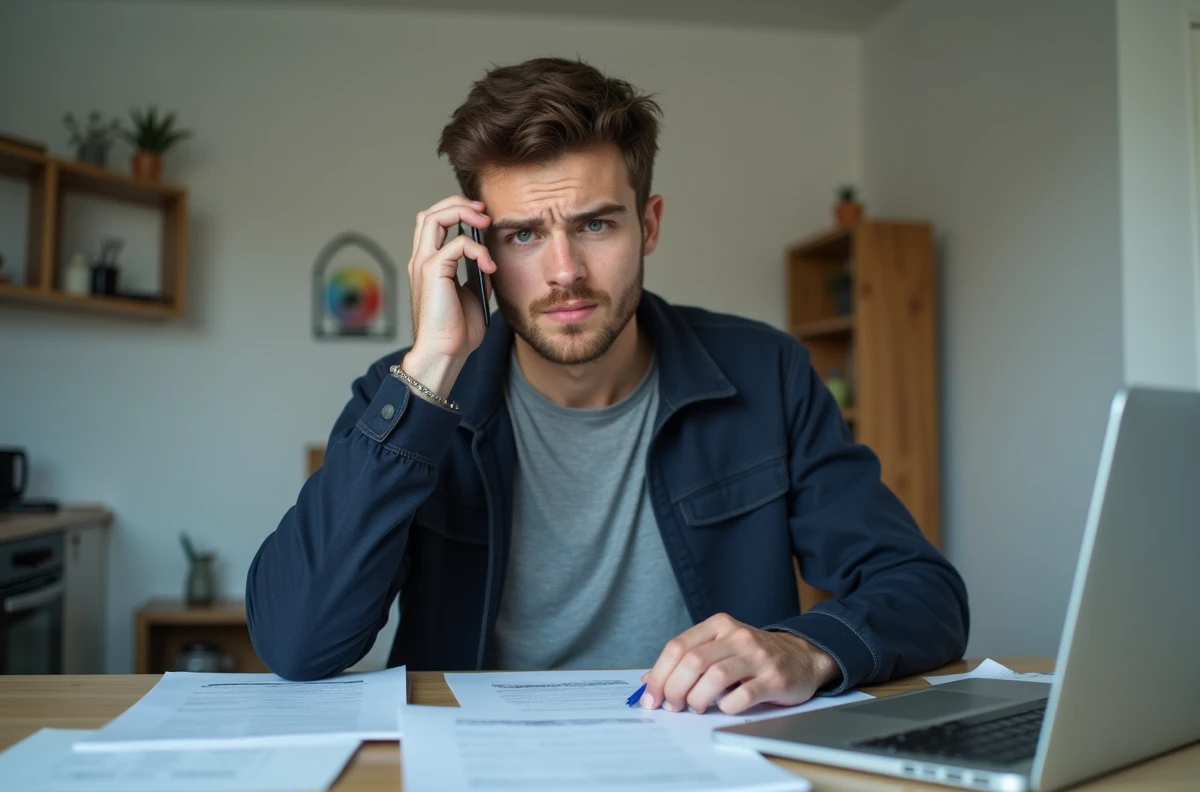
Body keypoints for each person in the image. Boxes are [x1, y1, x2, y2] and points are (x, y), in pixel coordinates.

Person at [246, 57, 968, 715]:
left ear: (648, 225)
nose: (565, 272)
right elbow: (298, 642)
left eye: (595, 225)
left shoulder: (767, 374)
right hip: (473, 765)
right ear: (478, 252)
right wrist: (433, 365)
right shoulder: (404, 394)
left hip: (705, 758)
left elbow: (924, 592)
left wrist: (806, 648)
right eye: (524, 235)